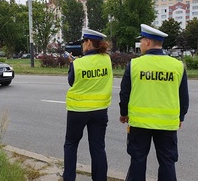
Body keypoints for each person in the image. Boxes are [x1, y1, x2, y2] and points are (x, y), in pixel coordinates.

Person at [119, 24, 189, 181]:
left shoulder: (134, 65)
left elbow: (125, 93)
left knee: (137, 160)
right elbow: (183, 96)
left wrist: (124, 114)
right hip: (167, 124)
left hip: (139, 124)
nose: (141, 44)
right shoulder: (177, 66)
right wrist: (181, 117)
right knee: (167, 162)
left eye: (142, 41)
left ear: (148, 42)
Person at [63, 28, 113, 181]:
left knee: (71, 145)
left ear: (89, 43)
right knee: (98, 148)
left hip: (78, 111)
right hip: (100, 111)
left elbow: (72, 82)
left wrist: (72, 64)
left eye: (83, 42)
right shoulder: (107, 59)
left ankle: (69, 178)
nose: (82, 45)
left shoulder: (78, 64)